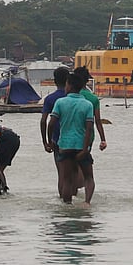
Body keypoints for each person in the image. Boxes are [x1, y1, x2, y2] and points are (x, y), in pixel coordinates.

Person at [46, 70, 95, 205]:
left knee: (67, 179)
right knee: (88, 178)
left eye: (67, 84)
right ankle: (87, 203)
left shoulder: (60, 102)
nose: (65, 87)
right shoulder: (87, 104)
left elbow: (51, 124)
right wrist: (85, 149)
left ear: (70, 86)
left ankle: (67, 206)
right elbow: (89, 129)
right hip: (81, 146)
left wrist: (50, 141)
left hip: (65, 145)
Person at [70, 66, 108, 200]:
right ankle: (84, 197)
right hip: (88, 137)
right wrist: (103, 139)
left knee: (71, 169)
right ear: (87, 80)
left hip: (69, 137)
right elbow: (98, 121)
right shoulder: (93, 98)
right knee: (84, 166)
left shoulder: (68, 96)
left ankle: (72, 194)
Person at [40, 66, 71, 199]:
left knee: (61, 174)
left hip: (57, 140)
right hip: (75, 140)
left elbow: (44, 121)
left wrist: (46, 142)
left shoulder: (50, 99)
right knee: (74, 173)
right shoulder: (74, 97)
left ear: (54, 81)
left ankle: (63, 201)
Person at [0, 123, 21, 191]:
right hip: (14, 139)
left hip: (7, 140)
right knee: (0, 167)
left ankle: (3, 187)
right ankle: (3, 187)